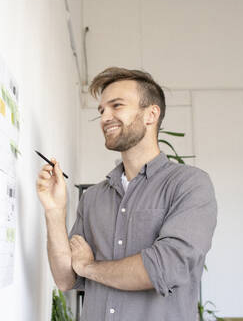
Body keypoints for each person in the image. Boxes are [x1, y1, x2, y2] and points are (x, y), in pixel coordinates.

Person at [36, 67, 217, 321]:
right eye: (101, 111)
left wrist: (89, 267)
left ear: (151, 114)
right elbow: (66, 279)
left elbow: (163, 268)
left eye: (116, 106)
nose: (104, 117)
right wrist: (55, 212)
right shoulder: (93, 198)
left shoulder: (189, 184)